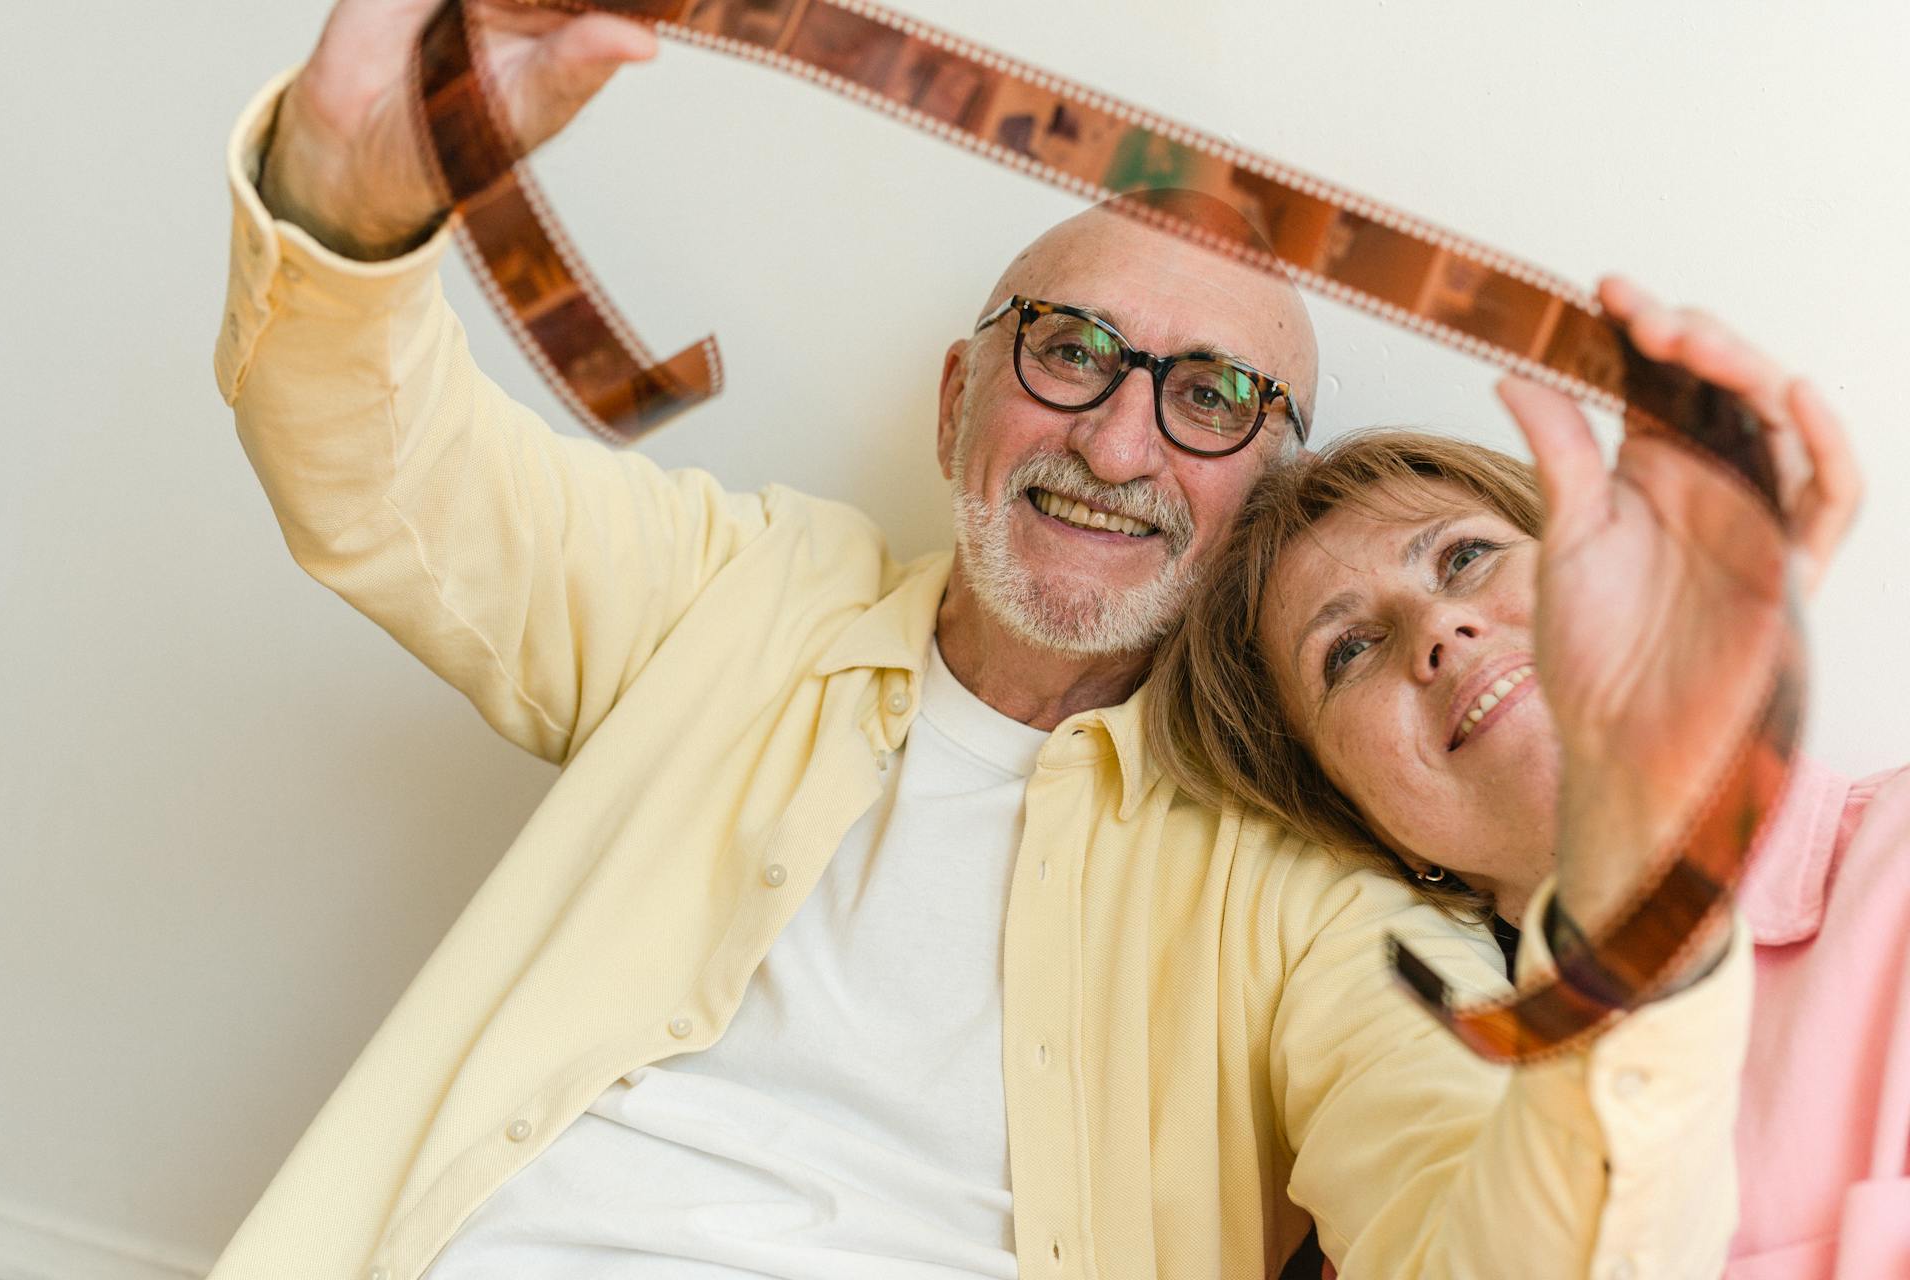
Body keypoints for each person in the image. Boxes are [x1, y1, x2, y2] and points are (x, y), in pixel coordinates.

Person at [210, 2, 1770, 1276]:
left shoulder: (1315, 893)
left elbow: (1508, 1249)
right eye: (1073, 352)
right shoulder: (733, 592)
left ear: (1252, 518)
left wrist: (1643, 878)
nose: (1114, 442)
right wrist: (353, 211)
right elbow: (391, 485)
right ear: (960, 405)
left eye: (1213, 396)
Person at [1149, 315, 1905, 1277]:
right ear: (1365, 823)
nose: (1442, 626)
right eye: (1348, 652)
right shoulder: (1434, 1185)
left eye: (1464, 557)